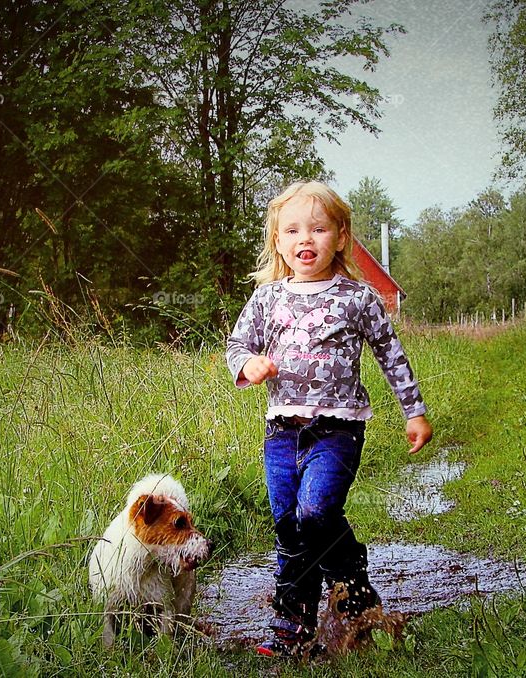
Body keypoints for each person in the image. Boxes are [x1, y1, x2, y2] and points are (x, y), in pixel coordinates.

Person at [225, 180, 433, 658]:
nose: (305, 239)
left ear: (340, 236)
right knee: (287, 524)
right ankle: (292, 626)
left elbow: (390, 353)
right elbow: (237, 345)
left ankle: (353, 586)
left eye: (318, 229)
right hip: (281, 430)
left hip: (338, 429)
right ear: (277, 240)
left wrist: (414, 411)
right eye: (293, 230)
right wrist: (248, 364)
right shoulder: (267, 299)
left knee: (315, 512)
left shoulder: (357, 298)